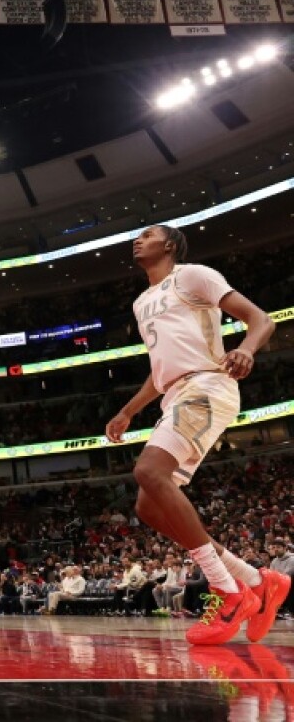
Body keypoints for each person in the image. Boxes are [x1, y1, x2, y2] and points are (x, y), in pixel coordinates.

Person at [106, 224, 288, 645]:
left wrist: (245, 348)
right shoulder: (141, 301)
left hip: (208, 385)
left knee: (149, 471)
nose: (138, 239)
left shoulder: (192, 275)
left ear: (168, 245)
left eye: (147, 234)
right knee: (149, 508)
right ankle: (258, 581)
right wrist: (128, 410)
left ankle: (227, 592)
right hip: (176, 395)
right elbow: (160, 370)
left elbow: (262, 319)